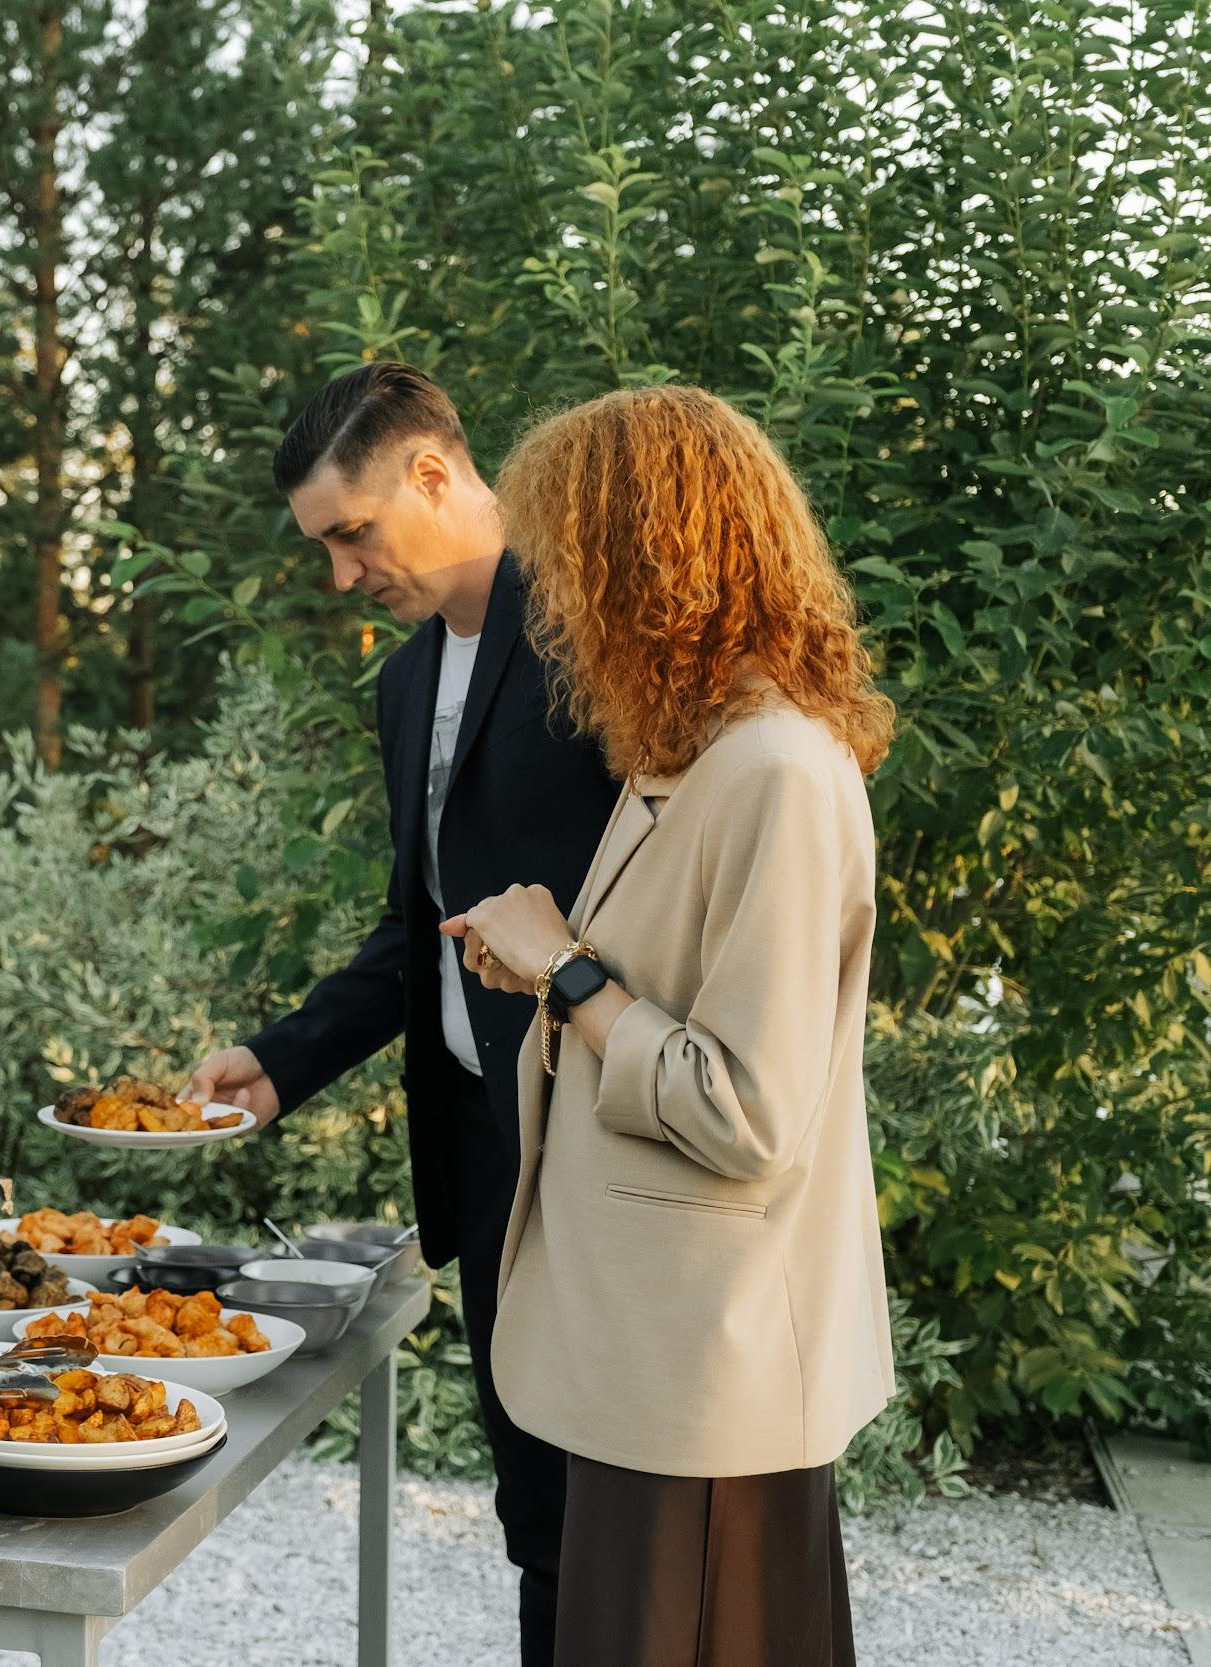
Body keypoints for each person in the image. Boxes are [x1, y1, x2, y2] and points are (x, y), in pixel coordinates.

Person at [445, 384, 897, 1667]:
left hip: (712, 1369)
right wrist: (541, 966)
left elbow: (745, 1109)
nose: (555, 608)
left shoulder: (777, 774)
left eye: (570, 567)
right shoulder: (690, 756)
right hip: (654, 1357)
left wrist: (572, 973)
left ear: (648, 566)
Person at [183, 362, 620, 1665]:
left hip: (605, 1137)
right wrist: (279, 1057)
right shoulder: (404, 681)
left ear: (434, 473)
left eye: (351, 535)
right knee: (534, 1503)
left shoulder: (599, 629)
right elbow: (417, 924)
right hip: (486, 1158)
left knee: (618, 1506)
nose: (340, 577)